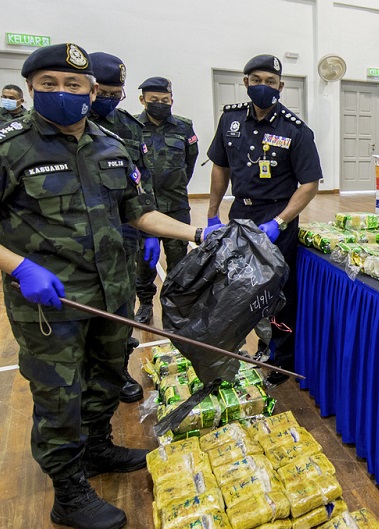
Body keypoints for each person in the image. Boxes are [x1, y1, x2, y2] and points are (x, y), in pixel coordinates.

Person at [0, 43, 214, 529]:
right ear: (31, 89)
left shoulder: (112, 145)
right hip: (50, 302)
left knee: (107, 376)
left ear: (91, 91)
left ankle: (99, 448)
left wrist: (194, 233)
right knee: (58, 395)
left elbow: (137, 211)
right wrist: (20, 267)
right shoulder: (3, 147)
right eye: (49, 84)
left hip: (110, 293)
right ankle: (68, 491)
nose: (62, 92)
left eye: (73, 85)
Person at [206, 54, 322, 382]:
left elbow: (310, 184)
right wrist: (213, 215)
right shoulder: (230, 121)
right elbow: (220, 167)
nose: (263, 86)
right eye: (256, 80)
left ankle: (281, 360)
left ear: (281, 87)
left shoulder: (296, 130)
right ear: (245, 83)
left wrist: (280, 222)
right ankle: (249, 346)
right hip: (240, 214)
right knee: (239, 287)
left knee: (277, 294)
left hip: (277, 218)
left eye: (270, 82)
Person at [88, 51, 156, 402]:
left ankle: (117, 373)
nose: (112, 99)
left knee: (119, 309)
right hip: (73, 242)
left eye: (118, 93)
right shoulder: (61, 127)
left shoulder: (129, 127)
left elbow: (142, 182)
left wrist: (149, 231)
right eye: (106, 92)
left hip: (124, 232)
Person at [134, 76, 199, 324]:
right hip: (142, 207)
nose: (160, 104)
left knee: (179, 261)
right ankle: (146, 304)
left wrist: (177, 183)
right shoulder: (132, 127)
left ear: (171, 100)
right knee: (144, 262)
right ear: (143, 100)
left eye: (165, 100)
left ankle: (175, 306)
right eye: (154, 100)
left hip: (176, 206)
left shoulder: (183, 127)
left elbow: (190, 162)